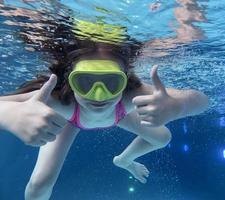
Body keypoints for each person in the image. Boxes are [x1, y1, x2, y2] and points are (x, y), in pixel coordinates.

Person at [0, 17, 209, 199]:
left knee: (163, 138)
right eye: (85, 82)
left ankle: (124, 160)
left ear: (125, 80)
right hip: (69, 118)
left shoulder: (130, 95)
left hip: (118, 114)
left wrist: (178, 106)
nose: (98, 96)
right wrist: (10, 114)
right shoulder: (60, 100)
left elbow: (203, 101)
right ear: (70, 81)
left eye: (111, 83)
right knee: (39, 185)